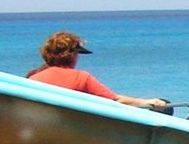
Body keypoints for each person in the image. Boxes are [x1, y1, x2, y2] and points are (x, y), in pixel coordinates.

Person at [26, 31, 168, 109]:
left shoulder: (33, 78)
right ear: (72, 55)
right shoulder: (81, 78)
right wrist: (145, 102)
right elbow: (115, 100)